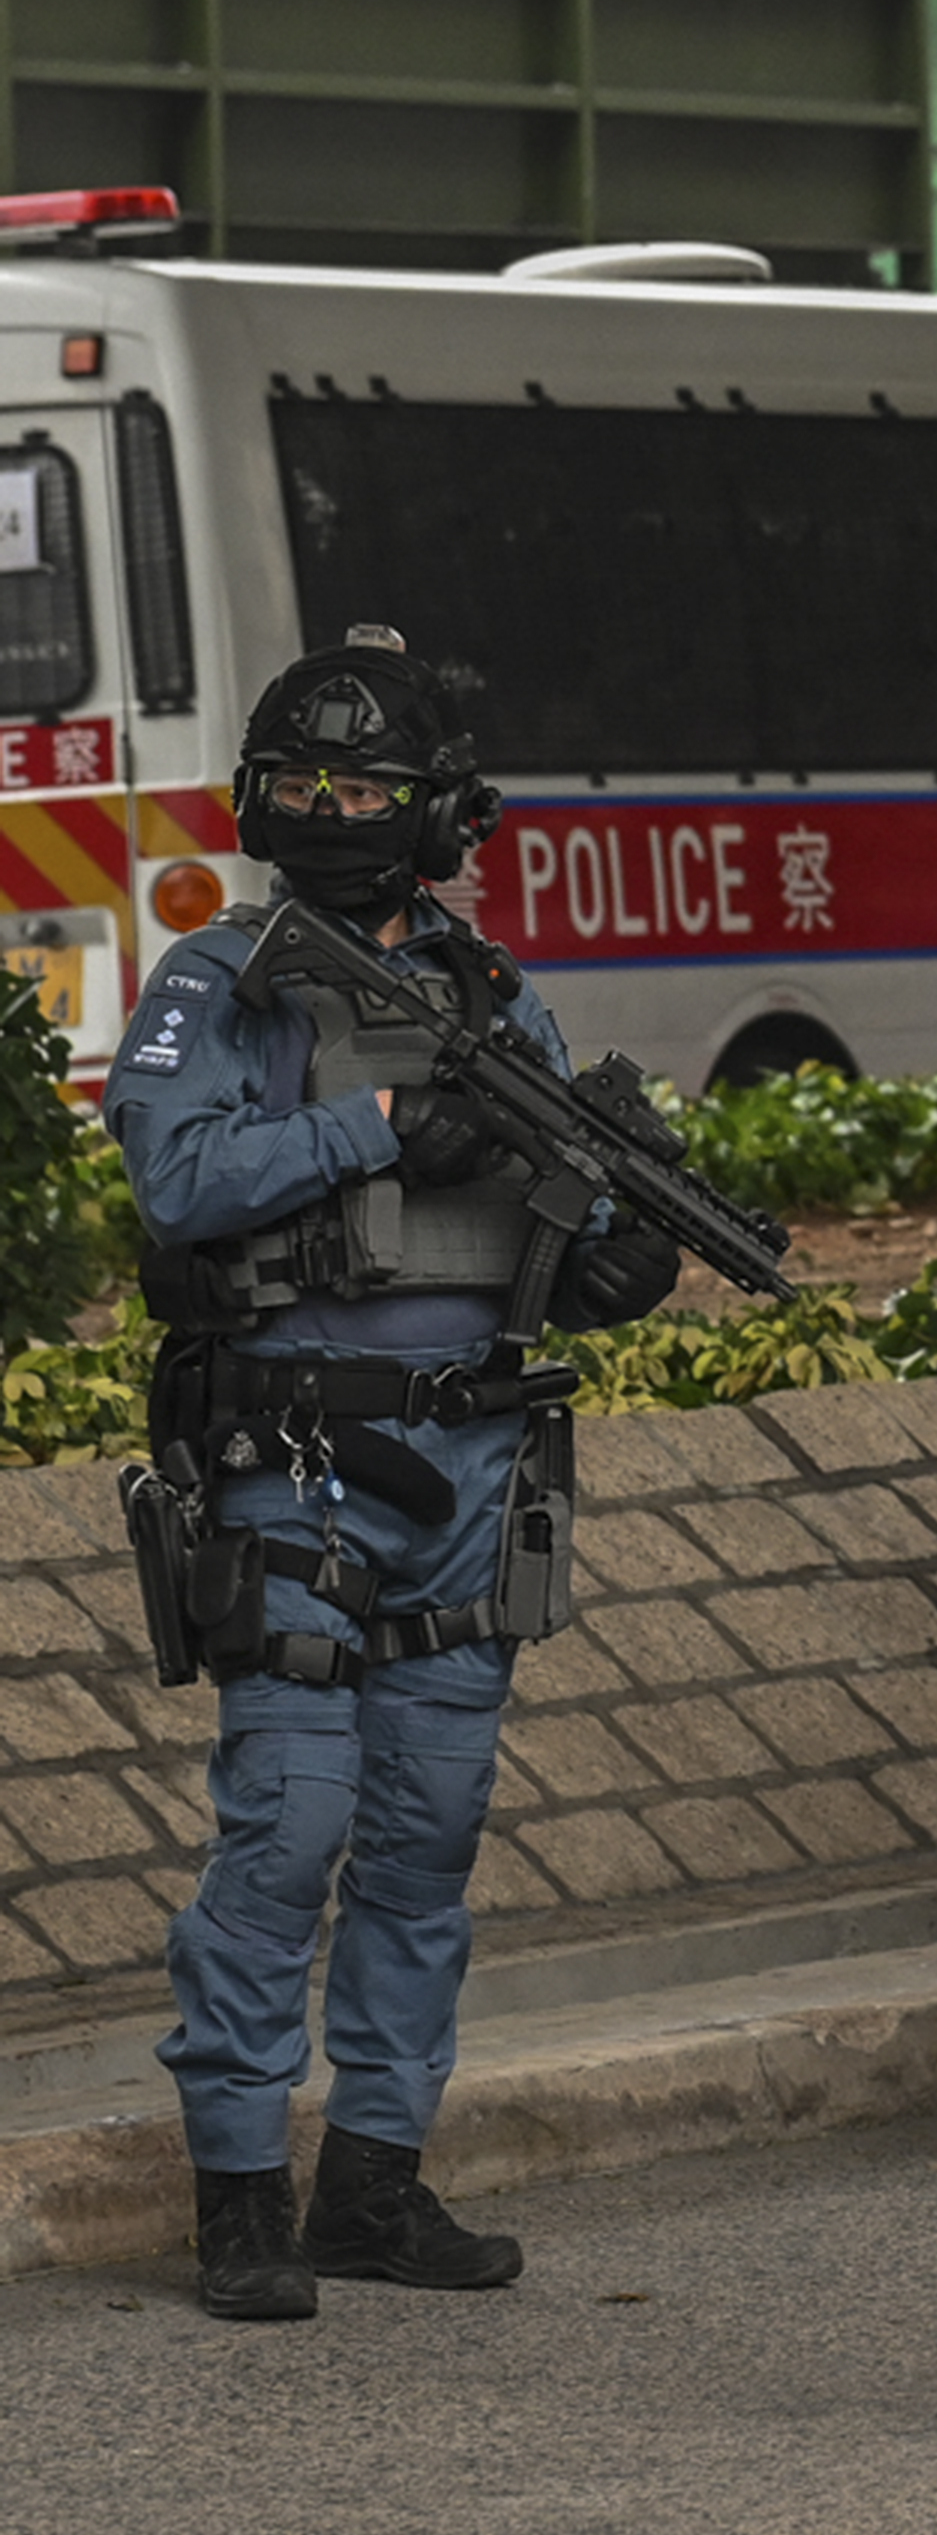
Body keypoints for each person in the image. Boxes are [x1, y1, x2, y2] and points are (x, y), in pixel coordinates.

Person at [109, 630, 694, 2323]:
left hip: (471, 1462)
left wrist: (608, 1258)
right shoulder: (220, 979)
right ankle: (239, 2198)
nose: (330, 812)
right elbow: (177, 1178)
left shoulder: (496, 997)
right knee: (289, 1829)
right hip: (292, 1459)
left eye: (365, 789)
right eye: (302, 783)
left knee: (428, 1841)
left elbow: (548, 1200)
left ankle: (373, 2185)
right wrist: (375, 1126)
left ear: (438, 812)